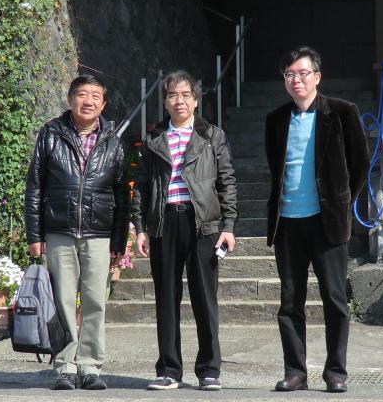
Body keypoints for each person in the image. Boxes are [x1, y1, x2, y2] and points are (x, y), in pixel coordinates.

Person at [265, 46, 369, 393]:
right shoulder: (275, 119)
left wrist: (340, 201)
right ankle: (295, 372)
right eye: (289, 74)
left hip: (327, 223)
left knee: (335, 300)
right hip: (287, 223)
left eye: (303, 73)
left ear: (317, 77)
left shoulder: (342, 112)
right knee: (289, 302)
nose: (296, 80)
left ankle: (336, 371)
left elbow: (360, 164)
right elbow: (275, 168)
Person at [131, 70, 237, 391]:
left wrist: (228, 226)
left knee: (205, 299)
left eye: (185, 95)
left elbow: (227, 182)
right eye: (172, 95)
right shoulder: (153, 139)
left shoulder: (212, 136)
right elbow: (141, 186)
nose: (179, 101)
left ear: (196, 100)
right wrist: (140, 228)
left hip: (203, 224)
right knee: (166, 298)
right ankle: (169, 369)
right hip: (164, 223)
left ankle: (209, 370)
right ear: (165, 102)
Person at [25, 74, 127, 390]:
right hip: (60, 230)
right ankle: (66, 366)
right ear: (70, 100)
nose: (88, 101)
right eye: (82, 94)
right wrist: (34, 235)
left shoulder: (112, 140)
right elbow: (35, 187)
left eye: (95, 96)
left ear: (103, 104)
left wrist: (119, 240)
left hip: (99, 233)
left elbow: (122, 194)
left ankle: (90, 366)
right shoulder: (51, 134)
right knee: (63, 300)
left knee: (96, 301)